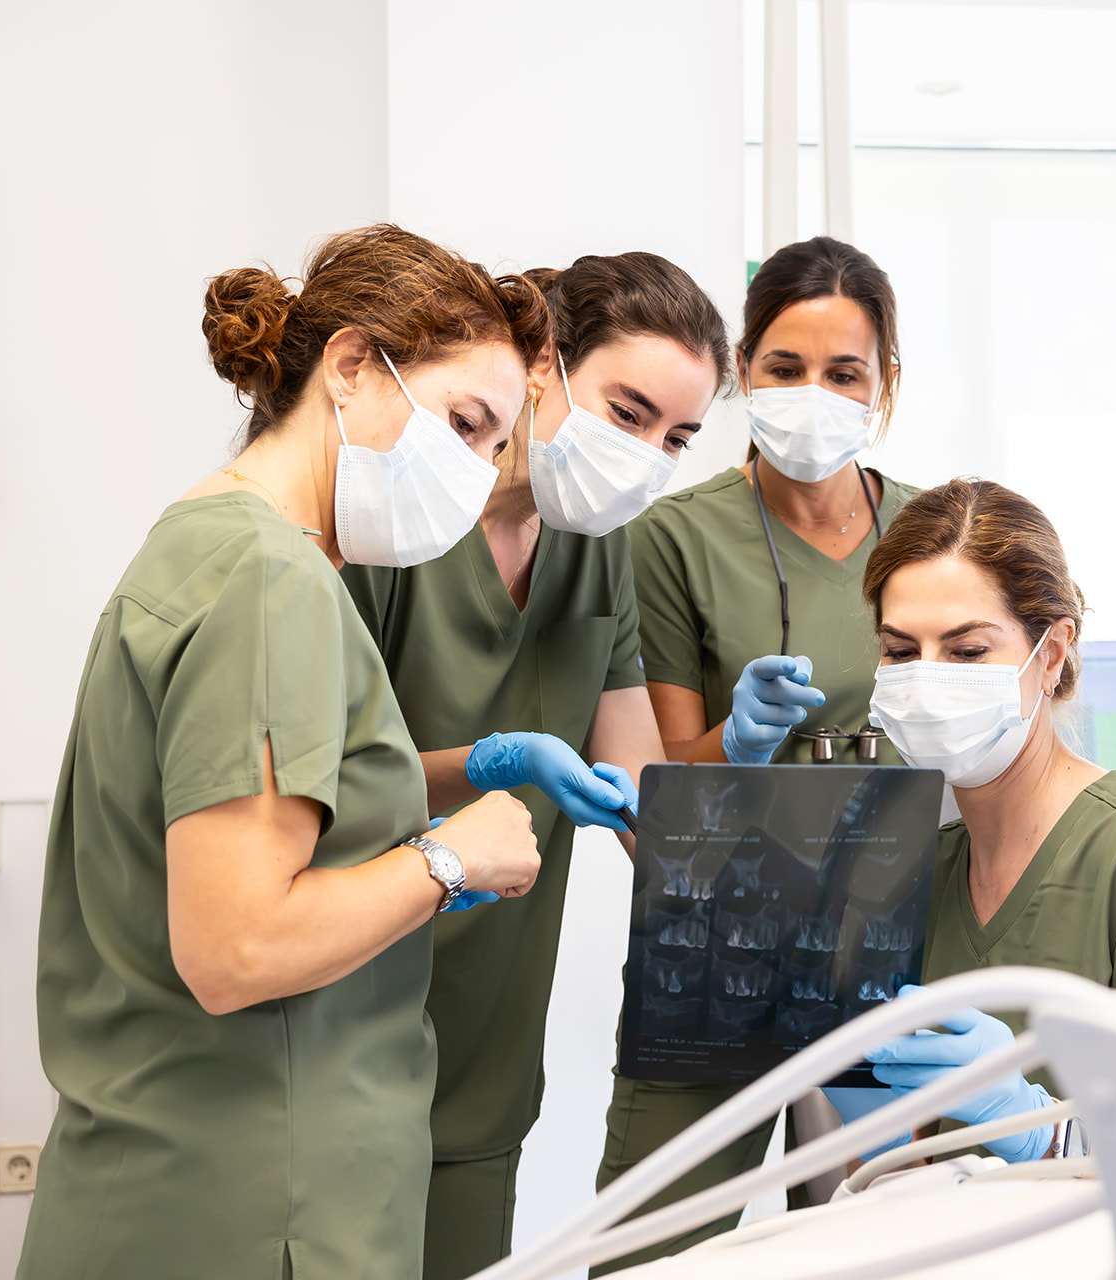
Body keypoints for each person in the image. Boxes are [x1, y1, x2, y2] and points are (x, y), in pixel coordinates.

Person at [18, 225, 548, 1280]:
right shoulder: (271, 581)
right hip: (260, 1207)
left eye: (497, 448)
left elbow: (270, 814)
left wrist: (459, 780)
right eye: (464, 423)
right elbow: (238, 949)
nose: (479, 473)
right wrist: (451, 859)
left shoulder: (206, 541)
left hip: (177, 1177)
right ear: (350, 366)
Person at [341, 251, 732, 1280]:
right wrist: (493, 762)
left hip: (487, 1053)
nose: (645, 457)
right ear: (545, 363)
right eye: (628, 411)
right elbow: (319, 778)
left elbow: (647, 802)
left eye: (676, 437)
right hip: (343, 1020)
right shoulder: (395, 517)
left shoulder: (598, 547)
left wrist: (739, 777)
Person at [592, 236, 919, 1271]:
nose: (813, 394)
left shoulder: (933, 534)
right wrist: (739, 740)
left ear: (885, 382)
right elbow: (655, 786)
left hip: (890, 938)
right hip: (719, 935)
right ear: (743, 370)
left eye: (844, 372)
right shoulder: (672, 538)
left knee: (894, 1241)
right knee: (655, 1249)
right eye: (784, 367)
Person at [859, 478, 1116, 1155]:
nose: (926, 683)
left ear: (1049, 655)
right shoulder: (923, 870)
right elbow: (914, 1133)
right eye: (900, 652)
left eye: (967, 652)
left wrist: (1041, 1130)